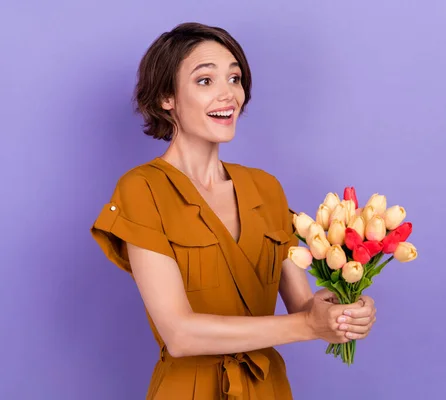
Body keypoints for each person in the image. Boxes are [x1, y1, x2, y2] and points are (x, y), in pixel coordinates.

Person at [90, 22, 376, 399]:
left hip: (267, 387)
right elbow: (179, 334)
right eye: (205, 81)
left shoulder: (265, 188)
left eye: (235, 78)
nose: (228, 95)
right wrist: (309, 325)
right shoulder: (142, 189)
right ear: (166, 97)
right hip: (186, 389)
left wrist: (345, 309)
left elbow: (303, 304)